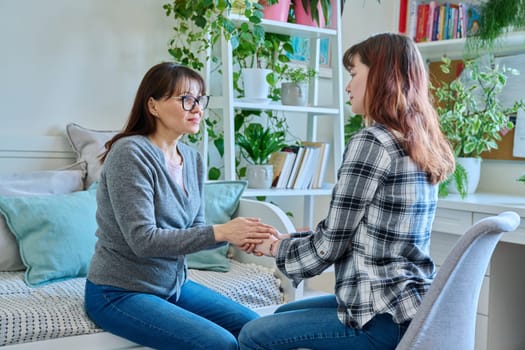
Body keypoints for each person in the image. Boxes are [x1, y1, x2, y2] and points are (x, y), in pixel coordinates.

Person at [238, 32, 456, 350]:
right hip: (409, 310)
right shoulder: (418, 142)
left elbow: (331, 246)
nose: (347, 86)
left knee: (253, 335)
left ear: (381, 76)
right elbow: (364, 234)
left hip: (377, 318)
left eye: (354, 74)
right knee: (283, 314)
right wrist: (294, 240)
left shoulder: (371, 142)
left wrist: (273, 249)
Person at [84, 62, 277, 350]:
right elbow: (143, 241)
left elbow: (197, 230)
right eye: (186, 99)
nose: (197, 108)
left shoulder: (192, 158)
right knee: (220, 344)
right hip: (119, 291)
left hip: (173, 286)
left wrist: (244, 237)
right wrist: (223, 232)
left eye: (200, 99)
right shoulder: (130, 153)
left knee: (260, 330)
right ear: (153, 105)